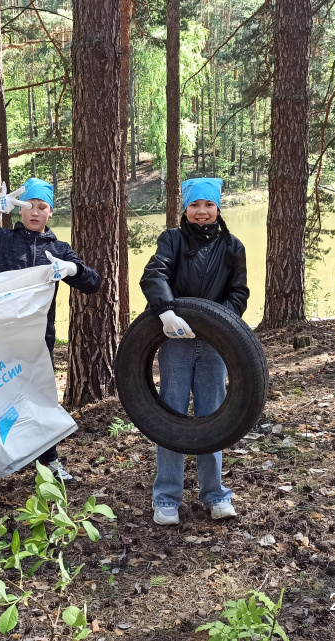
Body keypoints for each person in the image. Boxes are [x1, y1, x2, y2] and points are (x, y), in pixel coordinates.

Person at [0, 177, 101, 504]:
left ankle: (49, 462)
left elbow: (94, 283)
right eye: (29, 205)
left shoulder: (59, 250)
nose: (35, 212)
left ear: (51, 211)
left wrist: (72, 270)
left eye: (42, 206)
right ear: (19, 210)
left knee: (40, 402)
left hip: (38, 342)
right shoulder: (1, 240)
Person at [139, 178, 248, 525]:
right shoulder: (171, 239)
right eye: (195, 206)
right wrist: (165, 311)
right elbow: (154, 273)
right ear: (185, 208)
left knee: (212, 418)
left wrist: (220, 325)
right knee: (170, 418)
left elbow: (239, 293)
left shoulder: (232, 245)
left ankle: (215, 495)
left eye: (209, 205)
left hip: (216, 347)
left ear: (218, 208)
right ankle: (166, 498)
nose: (202, 212)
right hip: (175, 340)